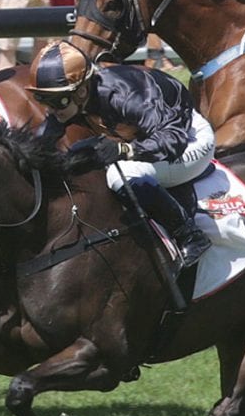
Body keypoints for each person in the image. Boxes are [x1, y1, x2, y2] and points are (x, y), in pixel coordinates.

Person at [30, 40, 216, 261]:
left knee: (124, 176)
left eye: (54, 100)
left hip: (188, 140)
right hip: (144, 137)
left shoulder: (125, 97)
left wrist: (126, 150)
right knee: (76, 157)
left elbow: (172, 139)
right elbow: (42, 142)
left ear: (81, 91)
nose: (50, 108)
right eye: (42, 98)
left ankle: (189, 235)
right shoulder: (76, 98)